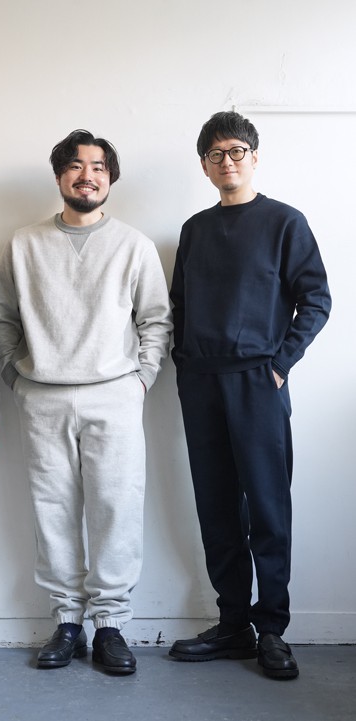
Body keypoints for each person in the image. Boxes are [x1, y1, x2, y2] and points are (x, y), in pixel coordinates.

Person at [0, 129, 172, 674]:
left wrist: (140, 380)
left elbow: (156, 320)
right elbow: (2, 320)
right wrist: (16, 377)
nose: (86, 175)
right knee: (52, 509)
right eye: (74, 166)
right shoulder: (23, 245)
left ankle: (110, 623)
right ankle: (68, 621)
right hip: (41, 396)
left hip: (114, 395)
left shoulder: (134, 245)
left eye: (97, 167)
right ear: (59, 177)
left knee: (117, 507)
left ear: (110, 177)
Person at [169, 112, 331, 679]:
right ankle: (233, 623)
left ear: (254, 157)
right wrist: (184, 364)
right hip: (201, 383)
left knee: (267, 507)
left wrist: (280, 364)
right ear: (204, 165)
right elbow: (179, 304)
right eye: (216, 154)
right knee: (216, 507)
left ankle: (273, 630)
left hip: (259, 381)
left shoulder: (285, 222)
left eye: (236, 151)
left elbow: (316, 300)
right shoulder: (194, 229)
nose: (227, 161)